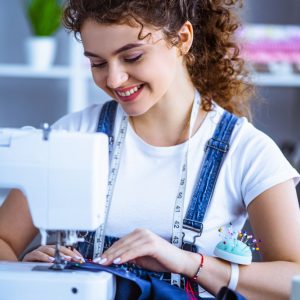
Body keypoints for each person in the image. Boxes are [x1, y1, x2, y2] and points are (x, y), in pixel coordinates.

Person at [1, 0, 300, 299]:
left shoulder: (247, 152)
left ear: (182, 39)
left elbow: (293, 277)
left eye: (132, 57)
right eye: (98, 63)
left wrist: (189, 263)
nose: (114, 79)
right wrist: (27, 276)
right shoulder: (73, 135)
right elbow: (4, 240)